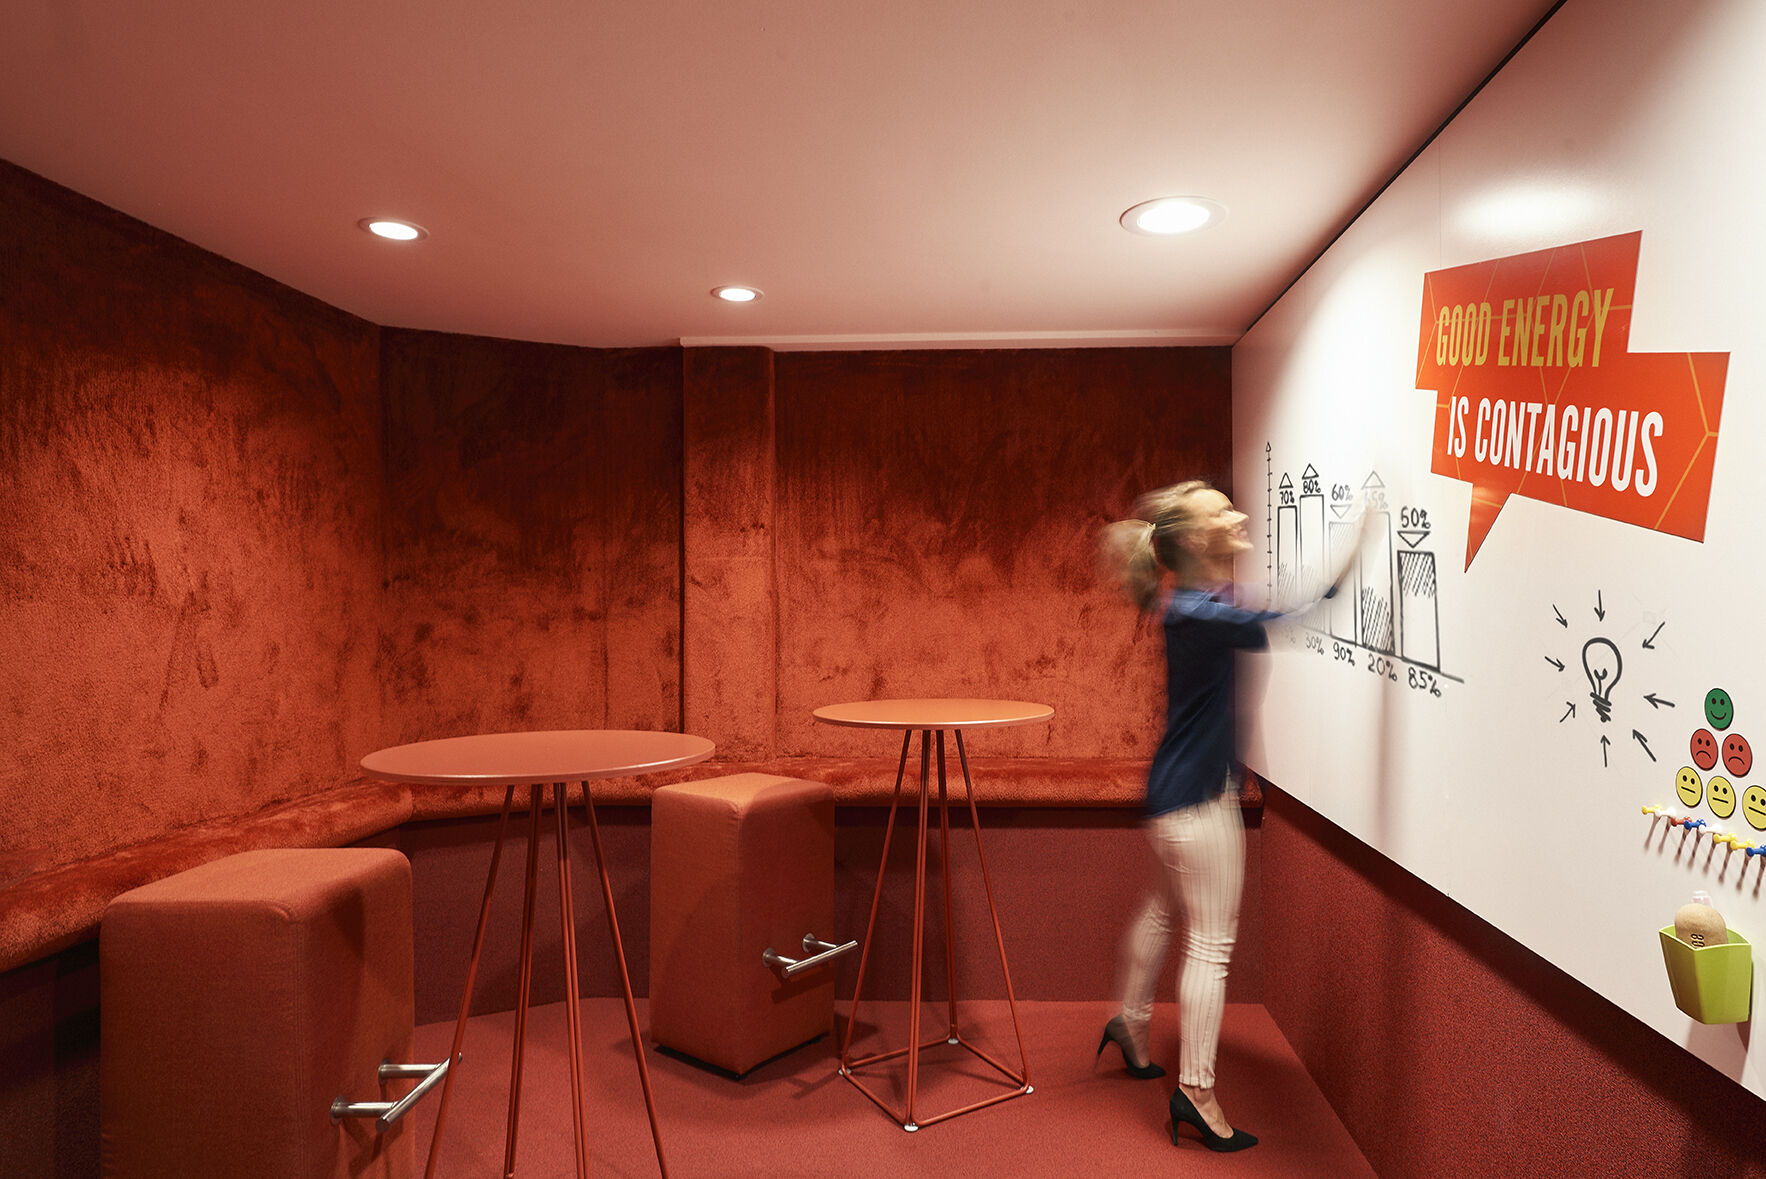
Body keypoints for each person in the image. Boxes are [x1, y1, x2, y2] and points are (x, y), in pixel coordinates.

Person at [1094, 479, 1359, 1153]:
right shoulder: (1202, 611)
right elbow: (1298, 609)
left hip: (1170, 795)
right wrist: (1352, 546)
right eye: (1222, 512)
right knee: (1210, 946)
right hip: (1198, 802)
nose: (1239, 516)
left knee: (1161, 910)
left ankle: (1129, 1023)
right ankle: (1196, 1090)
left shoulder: (1190, 604)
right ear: (1195, 537)